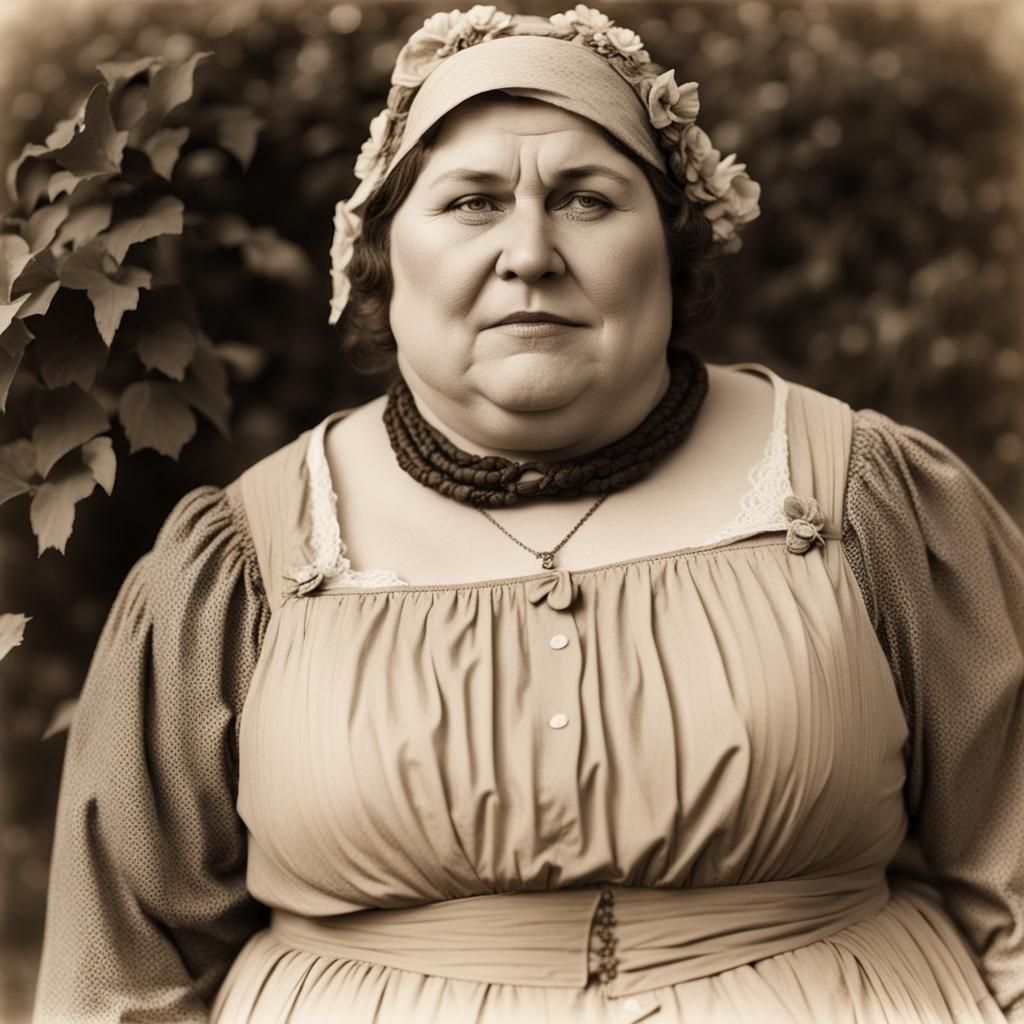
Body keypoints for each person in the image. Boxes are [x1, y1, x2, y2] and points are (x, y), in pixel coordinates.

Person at [32, 5, 1024, 1023]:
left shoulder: (864, 495)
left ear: (672, 251)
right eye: (470, 202)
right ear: (380, 256)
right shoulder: (243, 560)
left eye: (587, 199)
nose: (529, 253)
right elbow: (121, 977)